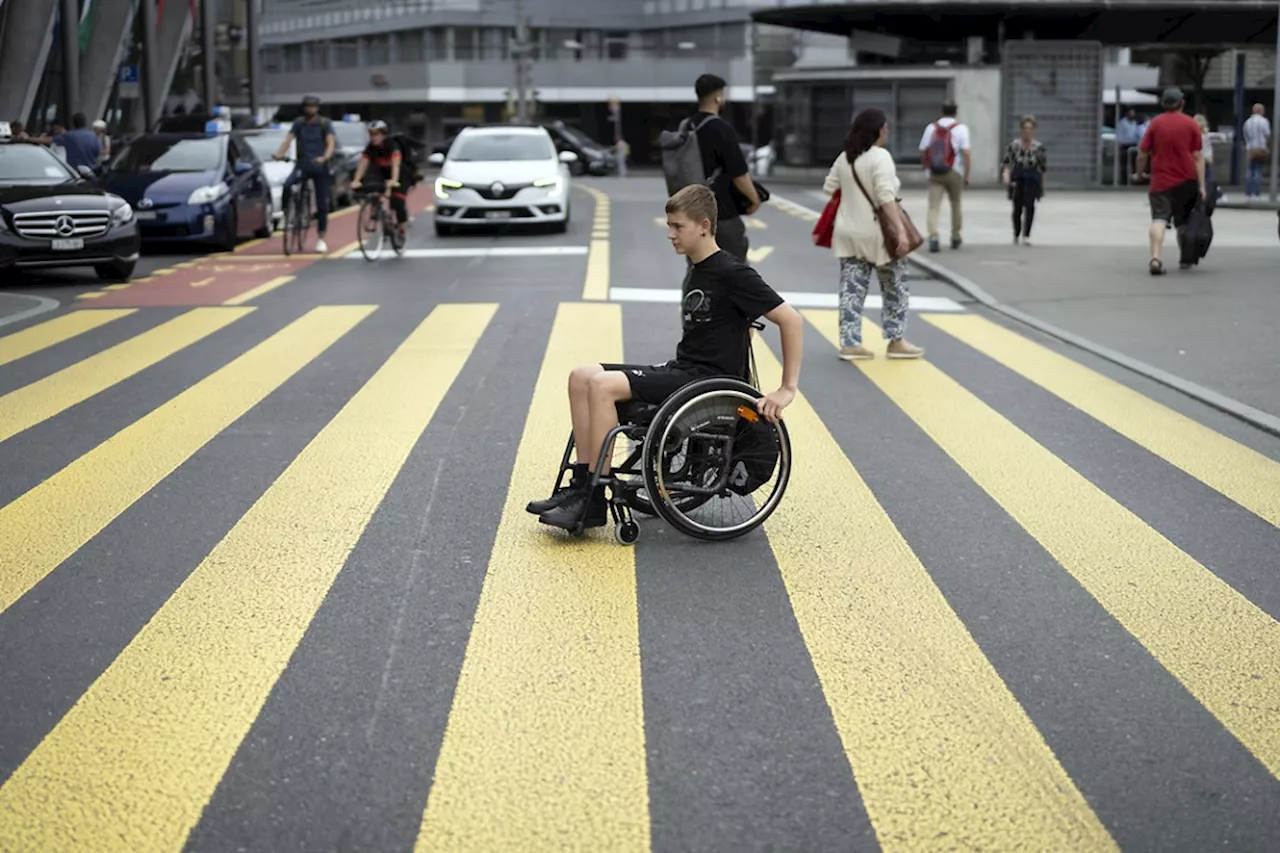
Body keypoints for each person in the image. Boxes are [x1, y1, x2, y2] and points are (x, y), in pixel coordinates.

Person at [527, 183, 802, 531]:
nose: (670, 234)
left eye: (677, 226)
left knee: (601, 385)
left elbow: (791, 320)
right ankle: (581, 486)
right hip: (684, 371)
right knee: (581, 375)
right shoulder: (698, 270)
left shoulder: (732, 272)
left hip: (705, 381)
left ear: (704, 225)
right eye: (669, 225)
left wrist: (786, 389)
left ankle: (593, 500)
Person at [823, 108, 924, 362]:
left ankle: (850, 343)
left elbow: (829, 187)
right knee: (895, 287)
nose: (887, 132)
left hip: (848, 232)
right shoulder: (881, 157)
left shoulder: (845, 157)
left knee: (851, 289)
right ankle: (896, 340)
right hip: (878, 235)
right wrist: (900, 231)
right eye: (885, 128)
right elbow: (886, 197)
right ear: (877, 130)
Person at [685, 73, 761, 262]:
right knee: (735, 270)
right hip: (722, 212)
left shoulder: (686, 126)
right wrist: (754, 199)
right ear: (718, 97)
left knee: (697, 269)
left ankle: (695, 294)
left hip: (691, 213)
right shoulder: (721, 128)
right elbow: (739, 174)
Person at [1134, 87, 1205, 275]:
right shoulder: (1191, 124)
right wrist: (1202, 185)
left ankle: (1155, 258)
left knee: (1158, 219)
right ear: (1182, 103)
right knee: (1183, 221)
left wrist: (1139, 174)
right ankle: (1185, 258)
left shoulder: (1155, 124)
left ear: (1164, 104)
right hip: (1187, 181)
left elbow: (1143, 153)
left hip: (1161, 181)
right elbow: (1198, 156)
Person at [273, 95, 336, 253]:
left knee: (322, 204)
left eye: (313, 106)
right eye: (308, 106)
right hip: (303, 164)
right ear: (304, 108)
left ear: (317, 108)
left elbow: (330, 143)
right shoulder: (299, 123)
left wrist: (325, 157)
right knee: (288, 185)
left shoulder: (324, 123)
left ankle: (321, 238)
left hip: (320, 166)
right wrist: (280, 153)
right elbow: (288, 140)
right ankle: (286, 214)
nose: (311, 109)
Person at [919, 102, 970, 253]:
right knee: (956, 203)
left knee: (933, 206)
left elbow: (923, 150)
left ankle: (933, 237)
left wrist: (927, 167)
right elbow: (966, 153)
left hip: (935, 172)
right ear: (956, 112)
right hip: (954, 171)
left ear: (941, 111)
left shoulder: (931, 128)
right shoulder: (961, 129)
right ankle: (955, 236)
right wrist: (967, 175)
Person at [350, 120, 407, 241]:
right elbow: (363, 164)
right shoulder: (370, 148)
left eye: (377, 134)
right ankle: (378, 212)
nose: (374, 137)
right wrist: (356, 180)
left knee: (397, 202)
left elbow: (395, 165)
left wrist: (393, 180)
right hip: (381, 174)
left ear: (384, 134)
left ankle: (402, 228)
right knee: (373, 190)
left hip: (399, 174)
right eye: (371, 134)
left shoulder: (392, 145)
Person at [1001, 116, 1048, 246]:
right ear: (1021, 130)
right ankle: (1016, 233)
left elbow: (1043, 168)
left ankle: (1026, 235)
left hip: (1032, 178)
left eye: (1030, 128)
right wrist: (1006, 175)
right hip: (1018, 177)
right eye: (1025, 128)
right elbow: (1007, 163)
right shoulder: (1014, 146)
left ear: (1034, 130)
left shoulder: (1038, 148)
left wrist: (1042, 187)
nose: (1027, 131)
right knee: (1017, 208)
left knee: (1030, 207)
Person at [32, 113, 100, 171]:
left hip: (74, 171)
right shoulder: (94, 136)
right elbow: (97, 153)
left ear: (73, 123)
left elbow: (48, 140)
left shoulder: (69, 136)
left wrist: (28, 138)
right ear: (85, 122)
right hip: (91, 171)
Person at [1242, 104, 1271, 200]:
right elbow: (1267, 135)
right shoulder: (1264, 121)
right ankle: (1256, 194)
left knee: (1249, 172)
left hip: (1250, 149)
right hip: (1261, 149)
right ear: (1261, 111)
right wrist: (1268, 147)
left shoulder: (1247, 122)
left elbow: (1245, 136)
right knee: (1258, 171)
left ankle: (1248, 194)